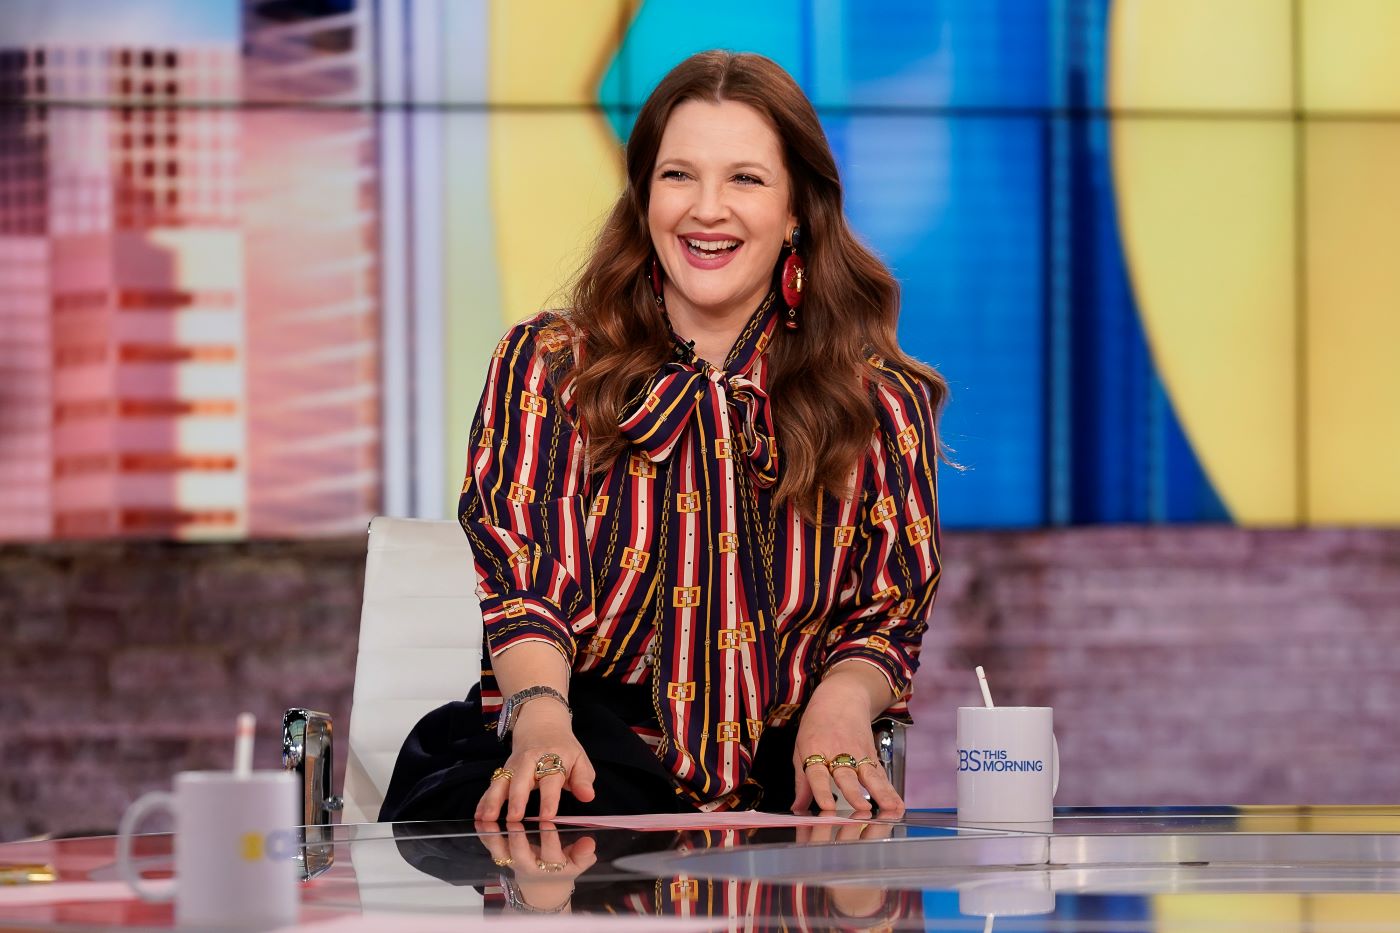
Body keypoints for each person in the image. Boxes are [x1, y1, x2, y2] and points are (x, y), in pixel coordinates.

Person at [381, 49, 946, 826]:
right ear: (644, 197)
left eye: (745, 178)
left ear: (795, 213)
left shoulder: (881, 400)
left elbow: (887, 613)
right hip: (581, 752)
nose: (706, 209)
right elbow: (526, 589)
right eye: (679, 175)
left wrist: (843, 704)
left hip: (785, 782)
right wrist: (542, 716)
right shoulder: (547, 365)